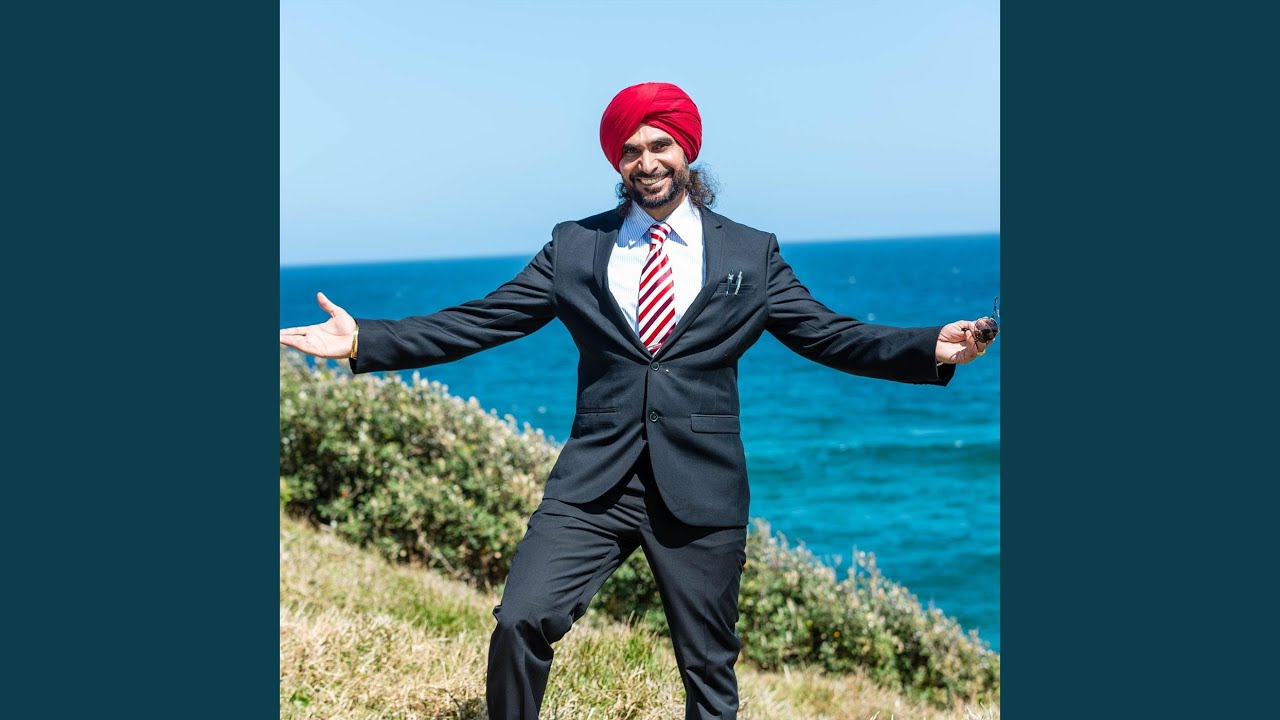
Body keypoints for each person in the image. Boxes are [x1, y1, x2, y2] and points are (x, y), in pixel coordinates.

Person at [279, 81, 995, 720]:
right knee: (521, 619)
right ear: (616, 162)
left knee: (708, 669)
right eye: (630, 151)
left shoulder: (749, 253)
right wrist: (365, 339)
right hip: (595, 482)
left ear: (687, 152)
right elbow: (485, 319)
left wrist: (931, 347)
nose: (646, 162)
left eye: (660, 146)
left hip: (701, 487)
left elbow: (828, 334)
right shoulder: (575, 246)